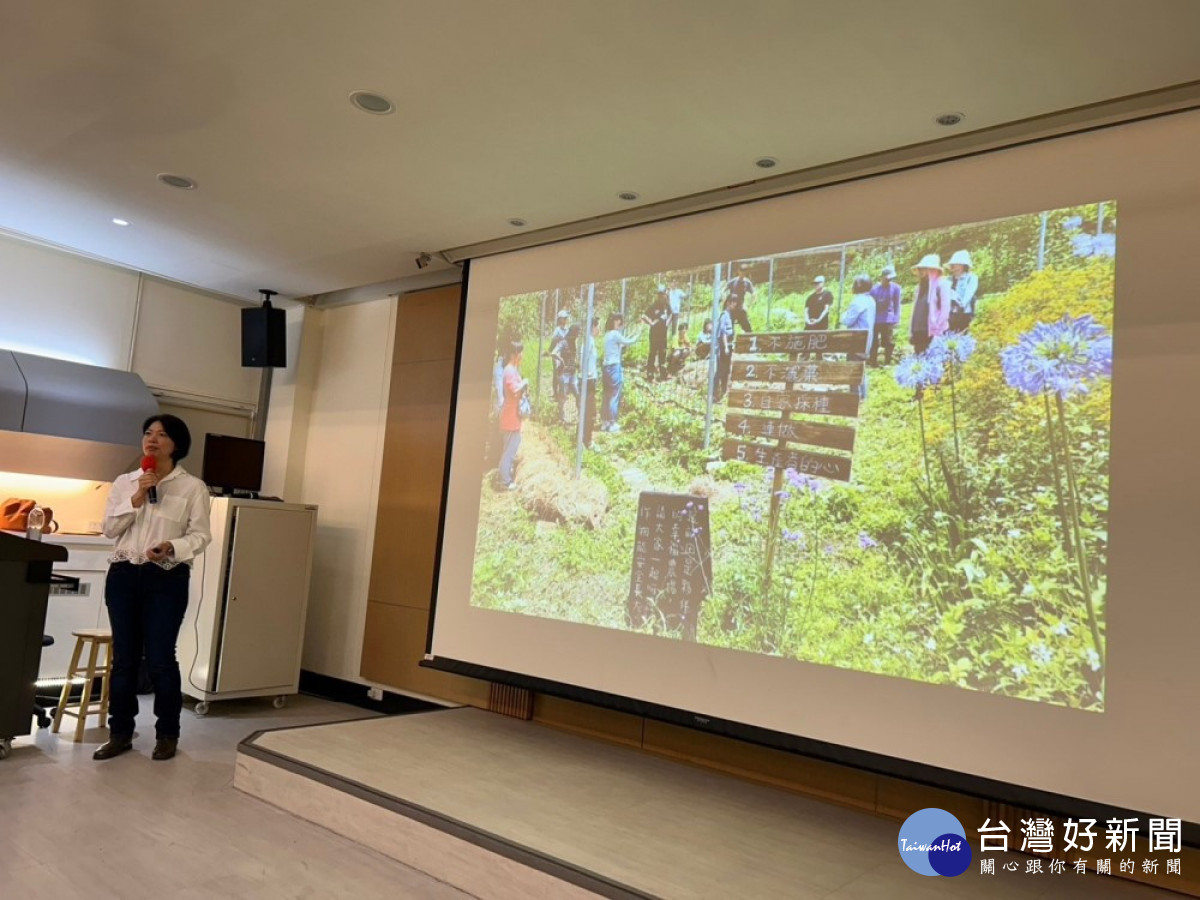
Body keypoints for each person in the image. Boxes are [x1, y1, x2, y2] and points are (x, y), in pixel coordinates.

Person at [94, 415, 211, 762]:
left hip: (166, 577)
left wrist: (172, 547)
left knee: (161, 659)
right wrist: (137, 496)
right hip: (124, 575)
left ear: (177, 444)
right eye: (148, 433)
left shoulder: (193, 488)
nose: (153, 439)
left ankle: (167, 734)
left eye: (162, 434)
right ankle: (120, 733)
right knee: (124, 660)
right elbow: (110, 529)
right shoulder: (126, 481)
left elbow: (201, 535)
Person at [602, 313, 639, 432]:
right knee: (615, 395)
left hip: (606, 367)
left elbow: (620, 345)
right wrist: (639, 334)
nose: (621, 324)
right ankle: (612, 423)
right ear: (615, 322)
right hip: (614, 367)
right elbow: (629, 342)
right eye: (619, 322)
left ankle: (605, 422)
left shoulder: (607, 335)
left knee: (607, 395)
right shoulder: (615, 334)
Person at [841, 275, 877, 399]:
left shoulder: (858, 301)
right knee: (861, 368)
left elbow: (847, 320)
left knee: (853, 368)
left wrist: (844, 314)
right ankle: (863, 396)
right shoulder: (871, 300)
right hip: (867, 339)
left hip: (856, 340)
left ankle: (854, 396)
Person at [909, 253, 952, 356]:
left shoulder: (942, 284)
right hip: (918, 329)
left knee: (932, 358)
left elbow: (945, 309)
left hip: (931, 330)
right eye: (920, 269)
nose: (921, 272)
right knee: (919, 357)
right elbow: (914, 309)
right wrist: (911, 330)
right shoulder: (919, 287)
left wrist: (938, 328)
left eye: (924, 268)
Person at [498, 342, 528, 489]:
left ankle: (506, 473)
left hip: (512, 415)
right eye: (520, 352)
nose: (522, 355)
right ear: (513, 355)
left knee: (511, 446)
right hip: (510, 416)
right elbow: (514, 391)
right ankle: (505, 480)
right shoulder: (509, 371)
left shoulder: (513, 369)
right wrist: (524, 384)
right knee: (510, 448)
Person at [869, 265, 902, 366]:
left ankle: (887, 361)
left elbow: (897, 303)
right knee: (874, 341)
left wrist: (896, 318)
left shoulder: (895, 288)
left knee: (888, 341)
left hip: (888, 318)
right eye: (887, 278)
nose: (889, 281)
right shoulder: (874, 289)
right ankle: (873, 361)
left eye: (890, 279)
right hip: (876, 319)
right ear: (882, 277)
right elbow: (871, 305)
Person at [579, 319, 601, 448]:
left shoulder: (590, 341)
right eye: (598, 326)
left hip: (589, 380)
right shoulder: (588, 341)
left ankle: (584, 439)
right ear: (593, 326)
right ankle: (587, 441)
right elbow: (584, 359)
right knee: (590, 412)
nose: (599, 329)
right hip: (588, 381)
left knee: (589, 411)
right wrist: (588, 374)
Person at [551, 324, 580, 423]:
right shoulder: (564, 342)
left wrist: (575, 363)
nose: (577, 335)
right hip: (564, 373)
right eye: (576, 333)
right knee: (563, 396)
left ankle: (580, 416)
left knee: (578, 394)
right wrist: (561, 360)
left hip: (572, 373)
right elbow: (554, 352)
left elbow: (574, 356)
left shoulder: (574, 343)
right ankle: (561, 417)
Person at [641, 290, 671, 381]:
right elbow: (644, 316)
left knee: (663, 353)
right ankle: (650, 374)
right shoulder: (653, 306)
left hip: (663, 334)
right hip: (654, 334)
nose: (664, 298)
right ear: (659, 297)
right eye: (662, 297)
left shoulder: (666, 305)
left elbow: (671, 314)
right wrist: (651, 323)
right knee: (653, 353)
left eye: (665, 296)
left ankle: (663, 374)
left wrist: (667, 323)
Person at [947, 250, 979, 333]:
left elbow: (968, 295)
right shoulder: (948, 280)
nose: (952, 265)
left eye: (955, 263)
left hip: (964, 314)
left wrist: (959, 303)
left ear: (962, 265)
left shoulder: (971, 278)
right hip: (949, 314)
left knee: (962, 337)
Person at [804, 275, 834, 359]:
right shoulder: (810, 297)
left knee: (820, 347)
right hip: (809, 325)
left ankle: (819, 362)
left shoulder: (827, 294)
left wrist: (818, 320)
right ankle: (805, 360)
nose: (815, 285)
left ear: (823, 283)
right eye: (814, 284)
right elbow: (806, 310)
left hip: (821, 325)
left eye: (818, 283)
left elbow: (826, 309)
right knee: (806, 345)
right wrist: (807, 320)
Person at [549, 310, 570, 403]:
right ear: (559, 319)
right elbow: (553, 341)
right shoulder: (557, 330)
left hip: (564, 354)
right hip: (557, 354)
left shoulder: (567, 329)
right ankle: (555, 393)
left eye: (566, 318)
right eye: (563, 318)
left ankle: (563, 393)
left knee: (564, 373)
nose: (565, 320)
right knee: (556, 374)